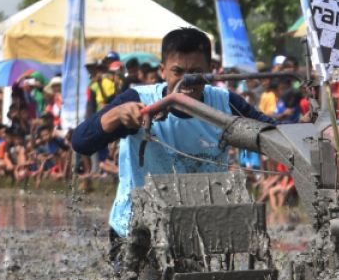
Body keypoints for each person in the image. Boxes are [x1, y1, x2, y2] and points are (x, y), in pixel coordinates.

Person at [71, 27, 276, 247]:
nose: (185, 82)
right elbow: (81, 142)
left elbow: (272, 133)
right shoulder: (139, 99)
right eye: (177, 72)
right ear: (163, 71)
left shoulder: (225, 103)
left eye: (195, 72)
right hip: (137, 227)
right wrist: (116, 116)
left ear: (211, 70)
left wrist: (307, 130)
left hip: (199, 226)